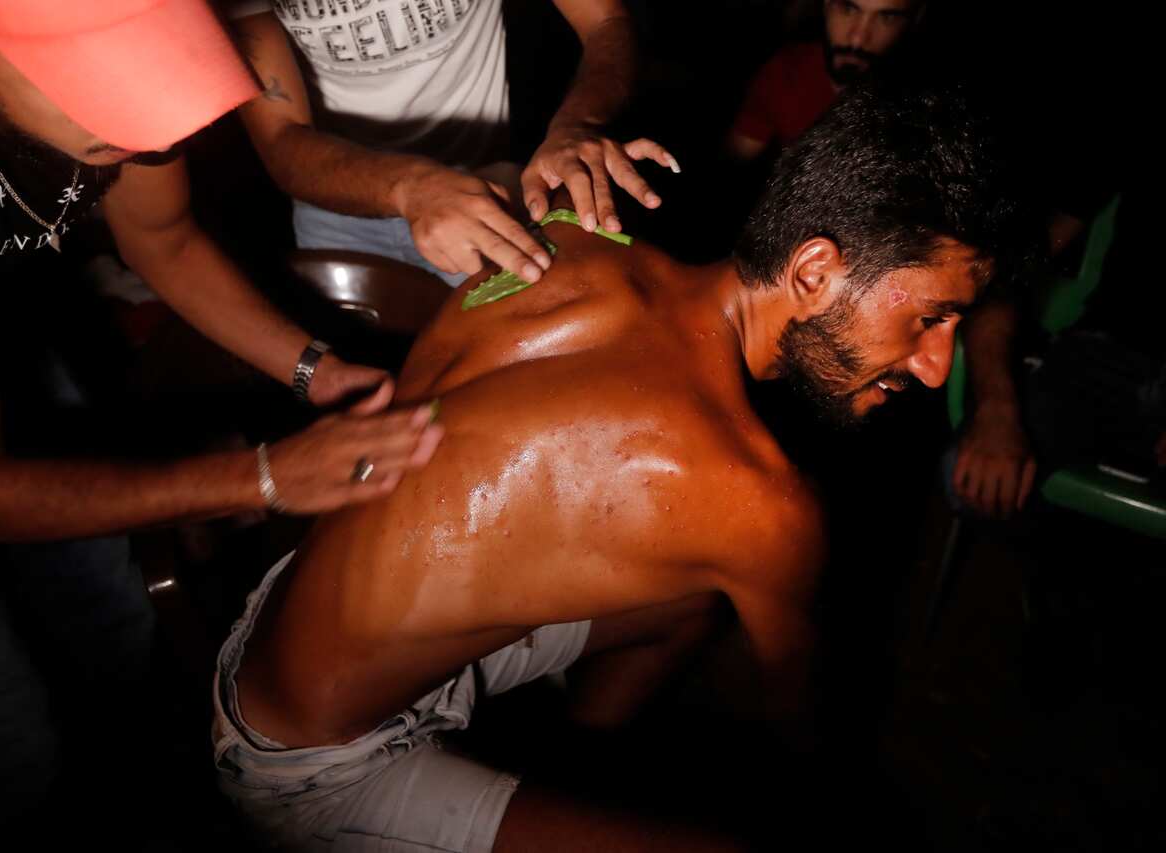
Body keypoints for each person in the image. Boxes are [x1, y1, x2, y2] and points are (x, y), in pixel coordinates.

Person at [212, 80, 1031, 851]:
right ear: (813, 272)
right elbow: (800, 727)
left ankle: (562, 773)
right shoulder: (758, 503)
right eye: (931, 317)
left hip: (278, 614)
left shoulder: (567, 235)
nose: (933, 366)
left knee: (688, 605)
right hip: (308, 756)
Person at [0, 0, 442, 833]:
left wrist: (315, 372)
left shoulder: (123, 107)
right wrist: (261, 476)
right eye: (92, 72)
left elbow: (166, 241)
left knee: (113, 615)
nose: (141, 117)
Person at [229, 0, 678, 288]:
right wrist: (411, 188)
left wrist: (577, 124)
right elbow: (280, 138)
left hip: (487, 189)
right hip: (337, 206)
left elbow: (604, 20)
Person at [729, 0, 923, 161]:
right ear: (825, 5)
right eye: (848, 9)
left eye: (886, 18)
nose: (858, 39)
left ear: (913, 21)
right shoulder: (783, 71)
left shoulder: (922, 106)